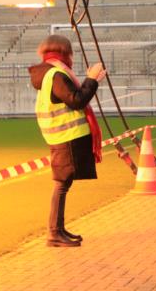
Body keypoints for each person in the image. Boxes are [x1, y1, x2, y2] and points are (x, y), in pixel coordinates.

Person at [29, 35, 107, 248]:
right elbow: (77, 100)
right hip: (66, 137)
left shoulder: (49, 73)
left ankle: (58, 229)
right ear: (65, 53)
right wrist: (90, 80)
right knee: (61, 184)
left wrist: (93, 82)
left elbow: (74, 98)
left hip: (60, 136)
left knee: (64, 184)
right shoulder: (56, 74)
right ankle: (54, 232)